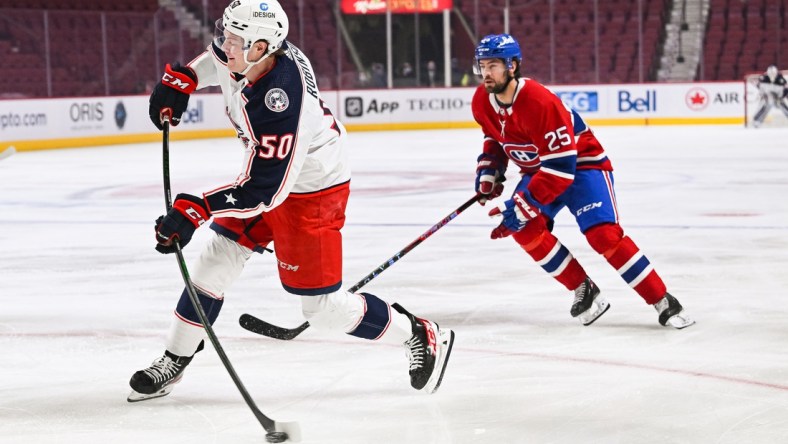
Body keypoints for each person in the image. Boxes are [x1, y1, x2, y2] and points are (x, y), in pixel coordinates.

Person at [128, 0, 454, 402]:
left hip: (311, 191)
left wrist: (199, 208)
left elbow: (266, 191)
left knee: (324, 311)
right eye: (225, 35)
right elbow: (213, 62)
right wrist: (187, 78)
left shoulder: (281, 99)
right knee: (214, 263)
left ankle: (419, 333)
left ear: (262, 47)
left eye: (234, 40)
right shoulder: (248, 55)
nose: (223, 45)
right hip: (273, 176)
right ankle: (174, 358)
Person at [470, 34, 694, 329]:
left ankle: (663, 300)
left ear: (512, 66)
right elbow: (496, 137)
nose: (486, 73)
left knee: (604, 236)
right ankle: (584, 290)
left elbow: (562, 167)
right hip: (541, 172)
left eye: (494, 65)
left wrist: (525, 203)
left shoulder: (539, 101)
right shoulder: (481, 101)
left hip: (583, 167)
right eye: (482, 66)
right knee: (524, 228)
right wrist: (489, 171)